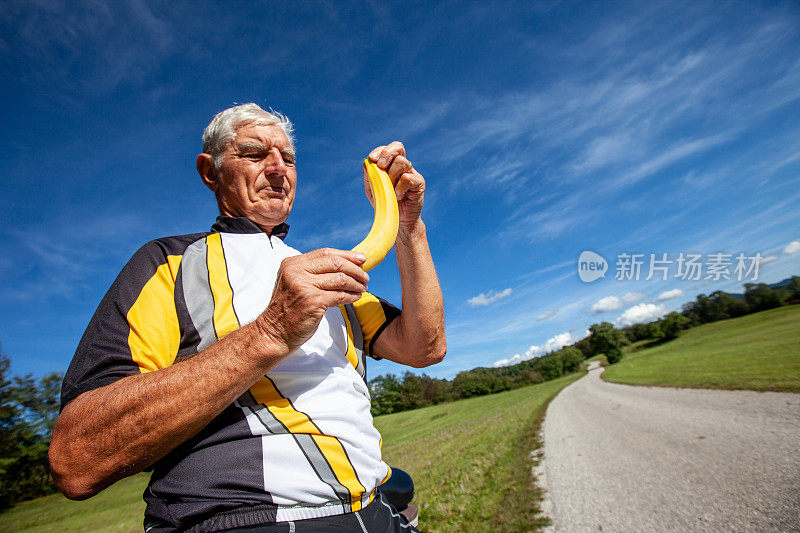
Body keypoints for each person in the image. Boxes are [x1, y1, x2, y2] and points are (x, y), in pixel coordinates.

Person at [48, 103, 445, 532]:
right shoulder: (170, 264)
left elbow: (425, 346)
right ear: (210, 171)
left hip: (370, 508)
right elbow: (77, 457)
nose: (279, 169)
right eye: (256, 154)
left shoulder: (320, 272)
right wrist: (272, 331)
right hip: (241, 519)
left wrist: (409, 226)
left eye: (289, 159)